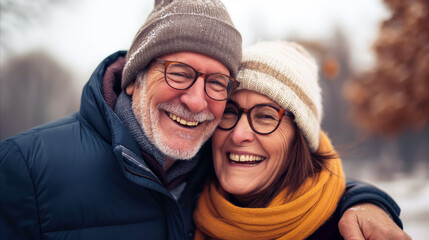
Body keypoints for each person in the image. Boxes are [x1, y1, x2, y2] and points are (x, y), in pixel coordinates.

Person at [0, 1, 408, 239]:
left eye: (217, 84)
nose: (196, 101)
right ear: (134, 78)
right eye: (179, 72)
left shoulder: (201, 167)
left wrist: (367, 203)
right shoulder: (25, 167)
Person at [194, 41, 411, 239]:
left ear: (299, 139)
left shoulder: (347, 232)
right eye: (230, 111)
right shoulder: (185, 201)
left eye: (266, 116)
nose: (239, 134)